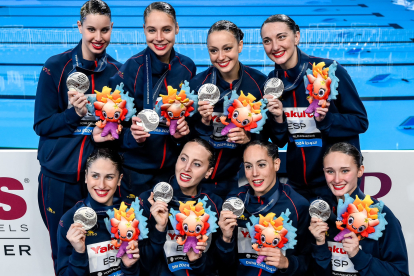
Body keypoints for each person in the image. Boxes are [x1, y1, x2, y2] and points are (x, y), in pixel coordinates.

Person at [34, 0, 121, 272]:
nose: (98, 37)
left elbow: (121, 128)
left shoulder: (117, 73)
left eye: (104, 30)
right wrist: (74, 115)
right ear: (80, 27)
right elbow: (42, 124)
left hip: (98, 183)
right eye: (91, 29)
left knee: (103, 255)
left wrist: (106, 134)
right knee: (64, 253)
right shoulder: (56, 67)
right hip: (60, 181)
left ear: (111, 29)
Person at [261, 14, 368, 204]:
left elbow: (360, 121)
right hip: (298, 186)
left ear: (297, 36)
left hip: (334, 184)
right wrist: (278, 118)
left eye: (281, 37)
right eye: (267, 41)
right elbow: (280, 140)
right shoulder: (273, 81)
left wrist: (327, 120)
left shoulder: (328, 71)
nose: (275, 47)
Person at [109, 1, 196, 202]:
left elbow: (191, 117)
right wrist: (132, 137)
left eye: (166, 30)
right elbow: (112, 128)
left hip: (171, 172)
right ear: (144, 30)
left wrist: (185, 130)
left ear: (176, 28)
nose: (159, 38)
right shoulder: (131, 68)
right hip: (135, 173)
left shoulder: (187, 67)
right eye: (152, 30)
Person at [57, 148, 167, 275]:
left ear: (119, 179)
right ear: (86, 176)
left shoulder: (132, 212)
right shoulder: (70, 220)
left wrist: (160, 228)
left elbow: (146, 265)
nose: (102, 185)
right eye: (95, 176)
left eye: (109, 177)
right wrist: (78, 253)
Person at [189, 20, 267, 199]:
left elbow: (269, 136)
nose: (221, 57)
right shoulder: (197, 84)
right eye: (213, 50)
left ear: (240, 46)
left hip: (237, 180)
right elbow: (185, 137)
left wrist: (249, 138)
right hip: (199, 180)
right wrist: (202, 122)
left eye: (227, 48)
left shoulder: (258, 84)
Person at [308, 142, 409, 276]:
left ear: (360, 170)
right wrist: (320, 245)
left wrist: (358, 256)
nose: (337, 179)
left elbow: (400, 273)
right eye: (330, 171)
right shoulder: (320, 216)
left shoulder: (381, 215)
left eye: (345, 171)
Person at [216, 140, 311, 276]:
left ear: (276, 164)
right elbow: (224, 266)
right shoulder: (234, 200)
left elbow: (308, 261)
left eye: (261, 165)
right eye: (248, 166)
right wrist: (225, 239)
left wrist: (287, 263)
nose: (254, 173)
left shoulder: (298, 205)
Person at [139, 138, 223, 275]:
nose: (186, 168)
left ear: (208, 172)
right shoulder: (150, 200)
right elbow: (139, 265)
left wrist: (197, 261)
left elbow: (219, 265)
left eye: (196, 164)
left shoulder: (215, 204)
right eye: (183, 159)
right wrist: (159, 229)